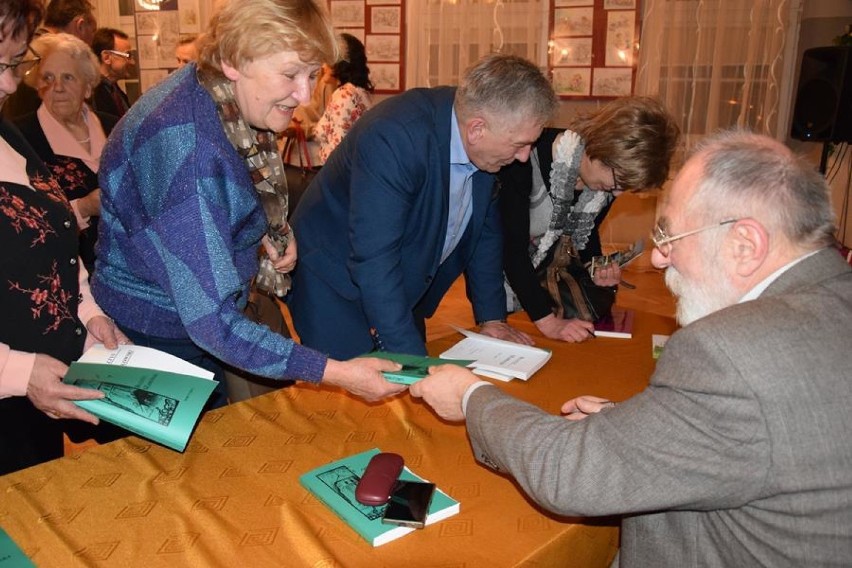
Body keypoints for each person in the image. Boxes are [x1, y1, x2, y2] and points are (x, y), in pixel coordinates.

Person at [410, 130, 852, 566]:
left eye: (670, 238)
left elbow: (567, 473)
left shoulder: (728, 353)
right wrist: (644, 429)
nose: (659, 260)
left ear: (745, 245)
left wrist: (471, 397)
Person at [92, 0, 406, 407]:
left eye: (313, 75)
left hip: (184, 317)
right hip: (158, 333)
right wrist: (339, 373)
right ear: (233, 61)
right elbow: (212, 322)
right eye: (291, 74)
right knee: (185, 463)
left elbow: (232, 190)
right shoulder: (188, 150)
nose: (305, 94)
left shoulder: (219, 94)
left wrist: (263, 233)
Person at [288, 53, 558, 359]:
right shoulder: (395, 137)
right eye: (520, 144)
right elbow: (374, 259)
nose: (524, 157)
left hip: (400, 275)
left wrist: (491, 317)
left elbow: (484, 230)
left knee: (407, 375)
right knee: (361, 386)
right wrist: (415, 366)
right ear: (477, 129)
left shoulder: (485, 146)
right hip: (333, 278)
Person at [1, 0, 129, 475]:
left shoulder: (7, 136)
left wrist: (88, 313)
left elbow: (52, 241)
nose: (12, 84)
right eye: (2, 64)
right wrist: (16, 371)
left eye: (15, 64)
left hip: (34, 393)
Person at [499, 97, 679, 342]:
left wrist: (598, 270)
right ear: (602, 148)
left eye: (626, 187)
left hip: (539, 292)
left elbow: (584, 240)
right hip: (500, 285)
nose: (616, 193)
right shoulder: (525, 157)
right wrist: (550, 324)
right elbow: (510, 250)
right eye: (619, 181)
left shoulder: (605, 183)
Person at [14, 32, 118, 277]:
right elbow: (20, 221)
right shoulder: (21, 138)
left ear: (89, 85)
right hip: (62, 274)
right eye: (47, 78)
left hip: (124, 272)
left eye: (68, 77)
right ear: (38, 86)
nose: (57, 87)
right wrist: (82, 208)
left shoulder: (115, 127)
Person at [1, 0, 96, 120]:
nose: (10, 86)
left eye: (15, 62)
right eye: (93, 31)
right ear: (80, 25)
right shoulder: (45, 53)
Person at [314, 33, 373, 164]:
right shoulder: (359, 92)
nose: (323, 67)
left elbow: (337, 151)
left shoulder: (343, 96)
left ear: (341, 61)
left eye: (328, 60)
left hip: (338, 177)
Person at [90, 27, 134, 118]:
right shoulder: (91, 94)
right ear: (106, 58)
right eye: (128, 55)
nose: (132, 62)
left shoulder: (115, 90)